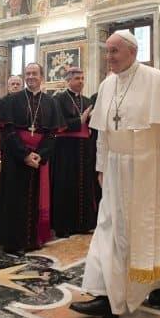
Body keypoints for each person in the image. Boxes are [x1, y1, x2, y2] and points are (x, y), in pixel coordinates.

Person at [72, 30, 160, 318]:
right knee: (111, 229)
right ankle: (106, 294)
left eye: (114, 51)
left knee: (157, 227)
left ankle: (157, 283)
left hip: (151, 168)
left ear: (132, 51)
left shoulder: (156, 79)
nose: (109, 57)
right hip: (116, 169)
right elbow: (102, 133)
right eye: (107, 52)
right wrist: (101, 166)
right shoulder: (107, 84)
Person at [0, 63, 63, 253]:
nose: (30, 77)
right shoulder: (10, 101)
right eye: (27, 73)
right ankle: (12, 241)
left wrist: (40, 154)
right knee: (14, 199)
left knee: (35, 199)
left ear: (42, 77)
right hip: (15, 157)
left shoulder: (51, 102)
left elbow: (52, 133)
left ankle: (32, 239)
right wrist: (24, 154)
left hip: (38, 157)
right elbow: (8, 131)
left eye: (34, 73)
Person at [51, 67, 96, 238]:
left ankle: (83, 223)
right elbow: (58, 122)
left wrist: (90, 121)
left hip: (84, 147)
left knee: (83, 183)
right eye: (77, 78)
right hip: (65, 148)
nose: (81, 81)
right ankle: (64, 226)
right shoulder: (59, 99)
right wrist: (80, 120)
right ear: (68, 80)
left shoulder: (86, 100)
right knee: (65, 184)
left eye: (83, 78)